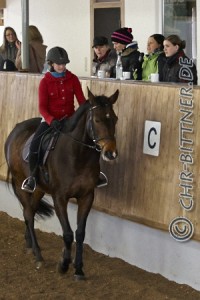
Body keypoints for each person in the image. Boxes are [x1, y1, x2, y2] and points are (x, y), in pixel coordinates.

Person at [21, 46, 107, 193]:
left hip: (70, 119)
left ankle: (95, 173)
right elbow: (42, 107)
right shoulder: (45, 82)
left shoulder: (72, 79)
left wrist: (85, 114)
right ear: (51, 64)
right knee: (35, 144)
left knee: (91, 139)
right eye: (59, 64)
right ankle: (33, 177)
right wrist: (50, 120)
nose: (62, 67)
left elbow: (81, 101)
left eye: (64, 64)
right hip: (51, 120)